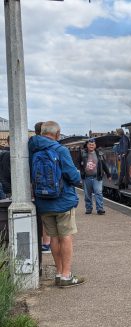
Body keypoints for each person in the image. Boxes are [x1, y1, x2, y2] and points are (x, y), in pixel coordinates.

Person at [28, 121, 85, 287]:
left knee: (53, 238)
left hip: (43, 202)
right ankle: (66, 275)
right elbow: (73, 177)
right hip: (62, 200)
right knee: (65, 236)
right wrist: (77, 175)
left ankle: (59, 273)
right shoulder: (60, 150)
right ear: (57, 134)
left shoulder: (32, 150)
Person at [31, 122, 52, 253]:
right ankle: (46, 243)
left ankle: (41, 242)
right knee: (48, 218)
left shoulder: (30, 145)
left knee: (40, 216)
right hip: (47, 186)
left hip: (34, 185)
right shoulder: (51, 147)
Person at [79, 138, 111, 214]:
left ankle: (100, 208)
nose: (91, 146)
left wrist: (108, 174)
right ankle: (88, 208)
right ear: (87, 145)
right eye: (90, 145)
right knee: (87, 194)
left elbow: (104, 165)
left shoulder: (100, 154)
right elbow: (78, 163)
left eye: (92, 145)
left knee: (98, 192)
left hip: (97, 177)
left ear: (95, 145)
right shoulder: (83, 153)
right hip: (86, 177)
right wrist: (81, 168)